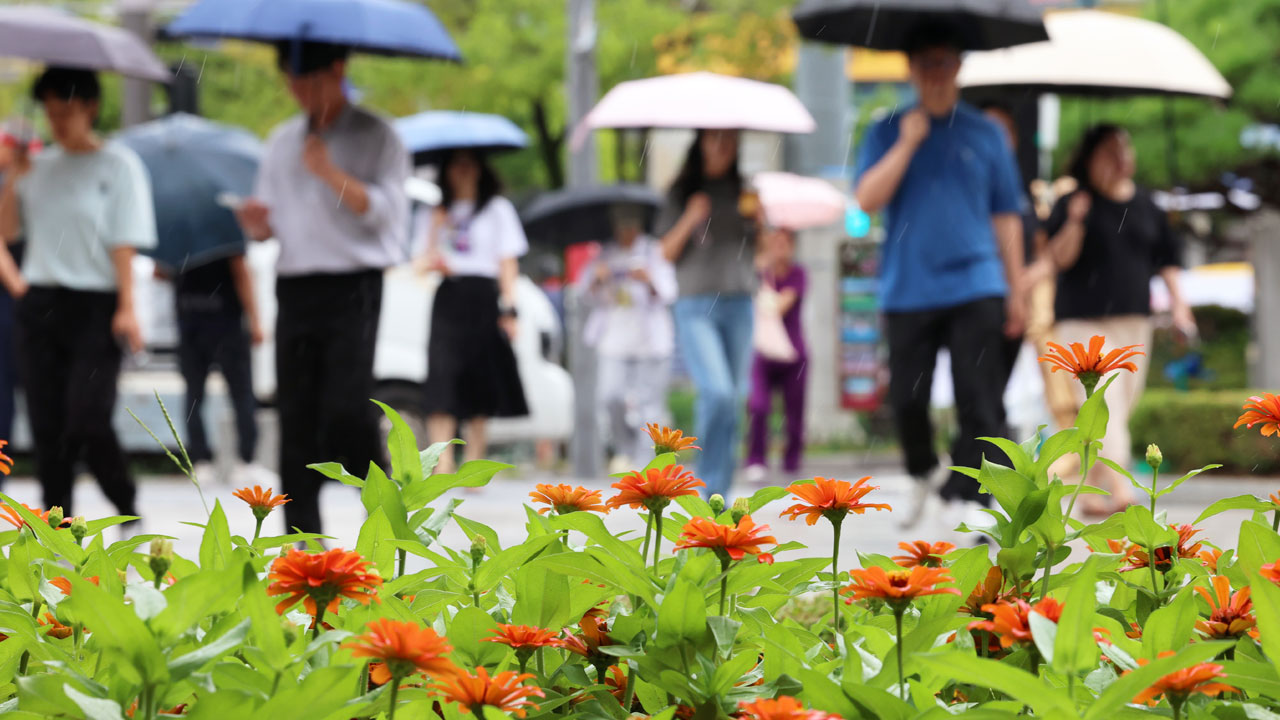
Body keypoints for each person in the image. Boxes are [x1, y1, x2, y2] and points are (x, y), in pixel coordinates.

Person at [853, 22, 1026, 530]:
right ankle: (923, 470)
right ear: (910, 69)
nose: (936, 74)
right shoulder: (884, 129)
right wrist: (907, 143)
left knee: (980, 399)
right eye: (926, 63)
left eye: (945, 62)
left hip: (977, 284)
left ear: (959, 66)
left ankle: (971, 500)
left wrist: (1016, 290)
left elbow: (1007, 215)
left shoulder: (987, 132)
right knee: (908, 399)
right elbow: (865, 201)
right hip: (909, 288)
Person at [235, 42, 409, 534]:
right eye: (292, 83)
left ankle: (383, 522)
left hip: (354, 286)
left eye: (309, 81)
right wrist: (255, 223)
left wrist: (329, 172)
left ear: (338, 68)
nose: (301, 94)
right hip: (294, 286)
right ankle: (303, 547)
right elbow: (269, 224)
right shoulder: (280, 140)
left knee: (347, 409)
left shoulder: (379, 135)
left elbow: (386, 215)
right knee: (296, 418)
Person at [0, 67, 155, 517]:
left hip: (96, 305)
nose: (58, 122)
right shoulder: (38, 166)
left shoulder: (118, 164)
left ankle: (124, 498)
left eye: (66, 111)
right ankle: (57, 521)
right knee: (47, 424)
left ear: (90, 107)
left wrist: (128, 305)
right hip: (41, 302)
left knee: (86, 417)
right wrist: (14, 177)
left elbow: (123, 238)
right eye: (50, 112)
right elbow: (9, 231)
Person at [1035, 124, 1194, 516]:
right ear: (1091, 158)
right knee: (1103, 397)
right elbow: (1058, 259)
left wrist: (1179, 306)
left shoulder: (1146, 205)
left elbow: (1168, 261)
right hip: (1081, 322)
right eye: (1110, 150)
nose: (1122, 157)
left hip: (1133, 322)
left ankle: (1091, 493)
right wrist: (1075, 219)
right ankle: (1121, 491)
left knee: (1120, 404)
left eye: (1125, 148)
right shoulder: (1074, 201)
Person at [657, 129, 757, 498]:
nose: (721, 148)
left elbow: (760, 249)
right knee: (716, 392)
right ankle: (705, 487)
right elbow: (664, 252)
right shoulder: (679, 192)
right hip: (696, 302)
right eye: (714, 139)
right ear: (700, 144)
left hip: (739, 301)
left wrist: (761, 220)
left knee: (734, 398)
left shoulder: (745, 191)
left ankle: (722, 493)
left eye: (729, 140)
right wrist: (690, 216)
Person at [415, 149, 528, 473]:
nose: (463, 171)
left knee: (481, 379)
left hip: (482, 296)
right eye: (456, 164)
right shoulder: (435, 213)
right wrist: (435, 231)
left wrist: (510, 308)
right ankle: (443, 462)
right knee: (442, 378)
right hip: (449, 295)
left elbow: (507, 262)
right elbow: (419, 262)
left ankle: (473, 463)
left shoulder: (496, 209)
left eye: (469, 163)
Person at [580, 205, 677, 471]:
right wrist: (598, 280)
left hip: (651, 342)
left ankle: (646, 464)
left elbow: (669, 293)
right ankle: (626, 446)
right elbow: (586, 295)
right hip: (615, 338)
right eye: (621, 224)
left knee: (650, 404)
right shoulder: (604, 254)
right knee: (610, 396)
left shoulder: (654, 251)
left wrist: (648, 280)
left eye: (631, 224)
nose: (626, 230)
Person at [980, 101, 1050, 438]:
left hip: (1015, 302)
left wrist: (1022, 284)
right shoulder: (970, 187)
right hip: (978, 298)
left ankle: (992, 448)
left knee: (995, 387)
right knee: (978, 388)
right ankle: (985, 452)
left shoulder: (1022, 192)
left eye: (1004, 130)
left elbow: (1040, 250)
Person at [172, 254, 267, 484]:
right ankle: (246, 460)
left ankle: (201, 461)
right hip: (226, 325)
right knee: (241, 394)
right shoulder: (225, 232)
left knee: (194, 396)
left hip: (191, 323)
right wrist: (254, 319)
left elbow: (159, 272)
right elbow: (241, 274)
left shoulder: (176, 236)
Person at [744, 226, 807, 480]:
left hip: (793, 353)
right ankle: (755, 457)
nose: (779, 248)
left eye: (784, 243)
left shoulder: (798, 274)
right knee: (758, 405)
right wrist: (760, 269)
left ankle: (792, 459)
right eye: (774, 242)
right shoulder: (757, 272)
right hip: (762, 352)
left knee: (794, 411)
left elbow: (781, 306)